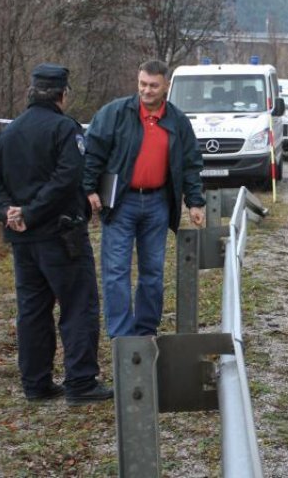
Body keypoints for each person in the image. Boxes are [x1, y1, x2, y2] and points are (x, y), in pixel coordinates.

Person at [0, 63, 113, 405]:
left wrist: (7, 211)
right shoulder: (65, 130)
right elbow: (68, 178)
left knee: (33, 310)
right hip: (60, 235)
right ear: (62, 94)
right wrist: (32, 212)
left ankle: (36, 383)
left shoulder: (8, 133)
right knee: (78, 305)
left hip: (22, 239)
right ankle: (81, 381)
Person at [82, 59, 206, 338]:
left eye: (153, 85)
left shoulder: (177, 121)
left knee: (152, 273)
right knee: (116, 272)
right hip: (120, 203)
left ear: (166, 86)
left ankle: (146, 331)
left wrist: (195, 202)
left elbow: (190, 163)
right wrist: (89, 188)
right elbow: (93, 152)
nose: (146, 91)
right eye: (142, 84)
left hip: (157, 204)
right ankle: (122, 337)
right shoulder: (114, 113)